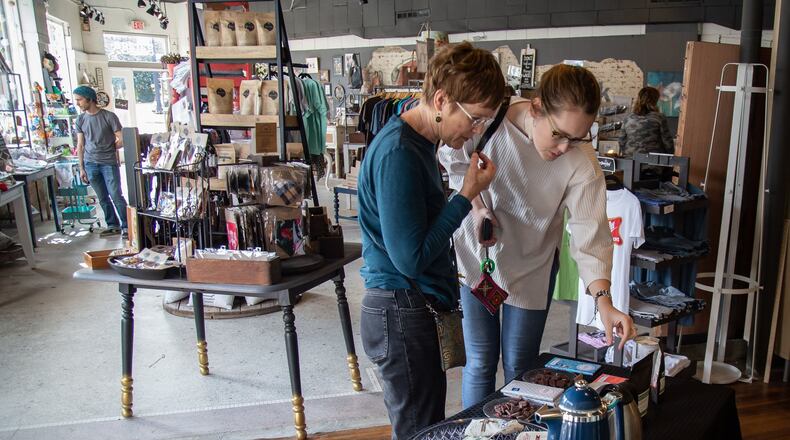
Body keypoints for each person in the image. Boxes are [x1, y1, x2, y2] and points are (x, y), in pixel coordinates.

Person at [439, 64, 638, 409]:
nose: (565, 147)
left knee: (521, 367)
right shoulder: (490, 119)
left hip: (534, 264)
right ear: (536, 108)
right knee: (481, 361)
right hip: (479, 259)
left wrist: (604, 302)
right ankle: (475, 431)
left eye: (578, 138)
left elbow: (590, 233)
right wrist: (477, 206)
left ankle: (514, 429)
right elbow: (453, 159)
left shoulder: (582, 161)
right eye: (559, 134)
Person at [357, 42, 504, 440]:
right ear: (442, 100)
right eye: (474, 119)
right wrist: (466, 195)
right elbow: (411, 258)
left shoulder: (420, 145)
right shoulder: (399, 153)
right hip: (401, 310)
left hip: (409, 309)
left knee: (424, 428)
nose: (475, 131)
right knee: (418, 432)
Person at [74, 85, 128, 238]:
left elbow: (122, 138)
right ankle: (112, 225)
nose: (77, 103)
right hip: (90, 163)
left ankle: (127, 226)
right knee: (102, 197)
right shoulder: (80, 120)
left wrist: (111, 147)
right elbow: (80, 145)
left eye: (79, 100)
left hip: (108, 162)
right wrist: (81, 168)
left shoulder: (109, 116)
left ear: (89, 99)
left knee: (116, 194)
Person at [619, 86, 675, 157]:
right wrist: (670, 157)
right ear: (654, 101)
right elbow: (668, 143)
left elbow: (621, 141)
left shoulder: (628, 118)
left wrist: (628, 154)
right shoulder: (659, 117)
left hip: (630, 160)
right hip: (653, 160)